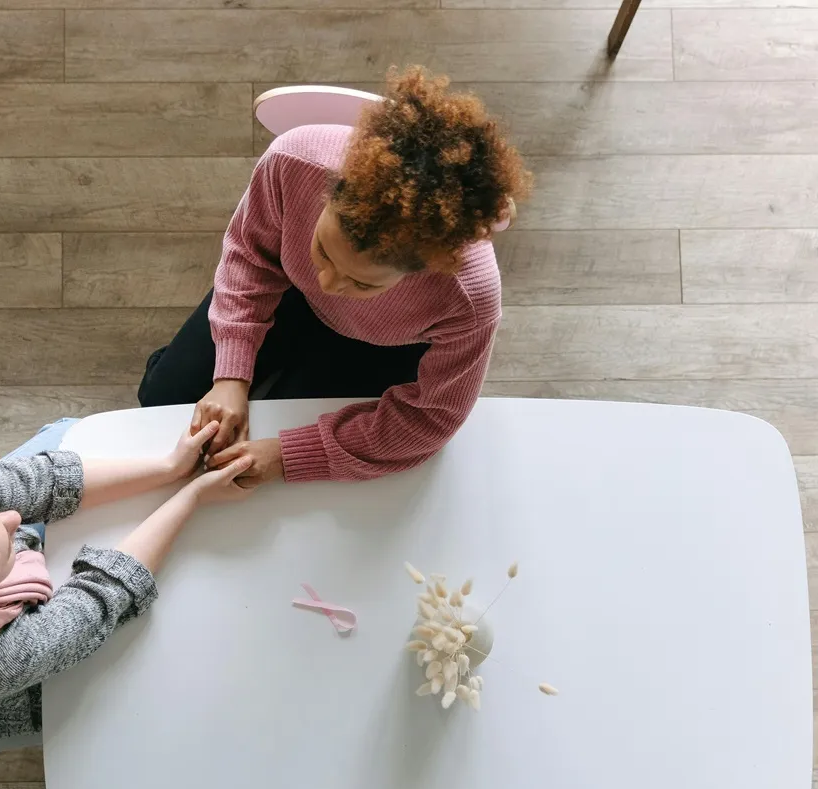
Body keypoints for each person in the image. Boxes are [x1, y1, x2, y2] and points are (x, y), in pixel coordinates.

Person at [137, 67, 532, 485]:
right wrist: (231, 376)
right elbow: (250, 255)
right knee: (162, 398)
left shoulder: (469, 298)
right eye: (323, 250)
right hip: (287, 291)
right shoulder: (293, 160)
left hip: (385, 343)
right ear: (327, 192)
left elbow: (430, 418)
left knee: (275, 424)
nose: (327, 283)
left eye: (363, 282)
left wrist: (287, 456)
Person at [0, 418, 253, 741]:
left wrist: (169, 467)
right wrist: (192, 495)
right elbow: (101, 597)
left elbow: (35, 484)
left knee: (67, 433)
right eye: (3, 549)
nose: (15, 518)